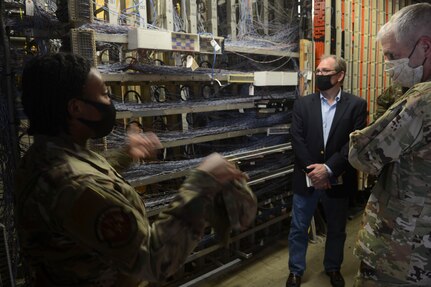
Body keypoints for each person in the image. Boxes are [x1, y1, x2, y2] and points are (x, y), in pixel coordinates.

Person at [14, 53, 255, 286]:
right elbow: (153, 261)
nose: (110, 103)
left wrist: (125, 156)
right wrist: (202, 182)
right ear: (76, 108)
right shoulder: (73, 185)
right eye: (105, 95)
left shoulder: (44, 155)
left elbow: (84, 176)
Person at [348, 3, 431, 286]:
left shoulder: (421, 100)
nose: (387, 66)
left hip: (401, 255)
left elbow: (362, 156)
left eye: (391, 56)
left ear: (425, 47)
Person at [287, 55, 367, 287]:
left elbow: (354, 143)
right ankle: (295, 271)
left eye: (325, 72)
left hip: (337, 179)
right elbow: (297, 139)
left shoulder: (356, 105)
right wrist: (314, 172)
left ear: (339, 75)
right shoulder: (303, 103)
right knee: (299, 228)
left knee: (336, 229)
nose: (320, 75)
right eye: (318, 71)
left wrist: (329, 169)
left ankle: (333, 268)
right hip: (307, 177)